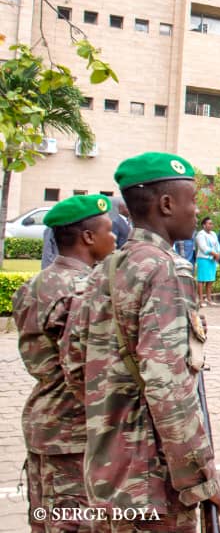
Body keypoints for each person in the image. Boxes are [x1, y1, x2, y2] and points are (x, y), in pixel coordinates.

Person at [65, 152, 220, 530]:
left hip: (107, 472)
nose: (197, 210)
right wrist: (201, 479)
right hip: (153, 480)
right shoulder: (167, 269)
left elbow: (74, 366)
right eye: (192, 200)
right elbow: (169, 388)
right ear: (166, 204)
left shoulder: (104, 268)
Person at [15, 195, 115, 533]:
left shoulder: (35, 284)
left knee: (44, 518)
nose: (114, 238)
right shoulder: (85, 290)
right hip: (74, 428)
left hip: (43, 419)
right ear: (88, 237)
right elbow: (88, 370)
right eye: (108, 231)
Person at [195, 217, 220, 307]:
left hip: (212, 259)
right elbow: (203, 247)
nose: (211, 225)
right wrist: (214, 254)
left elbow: (217, 244)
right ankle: (201, 300)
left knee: (210, 279)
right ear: (204, 225)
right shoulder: (200, 234)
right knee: (202, 279)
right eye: (209, 223)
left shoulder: (213, 234)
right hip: (203, 259)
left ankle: (208, 298)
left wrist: (218, 253)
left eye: (212, 223)